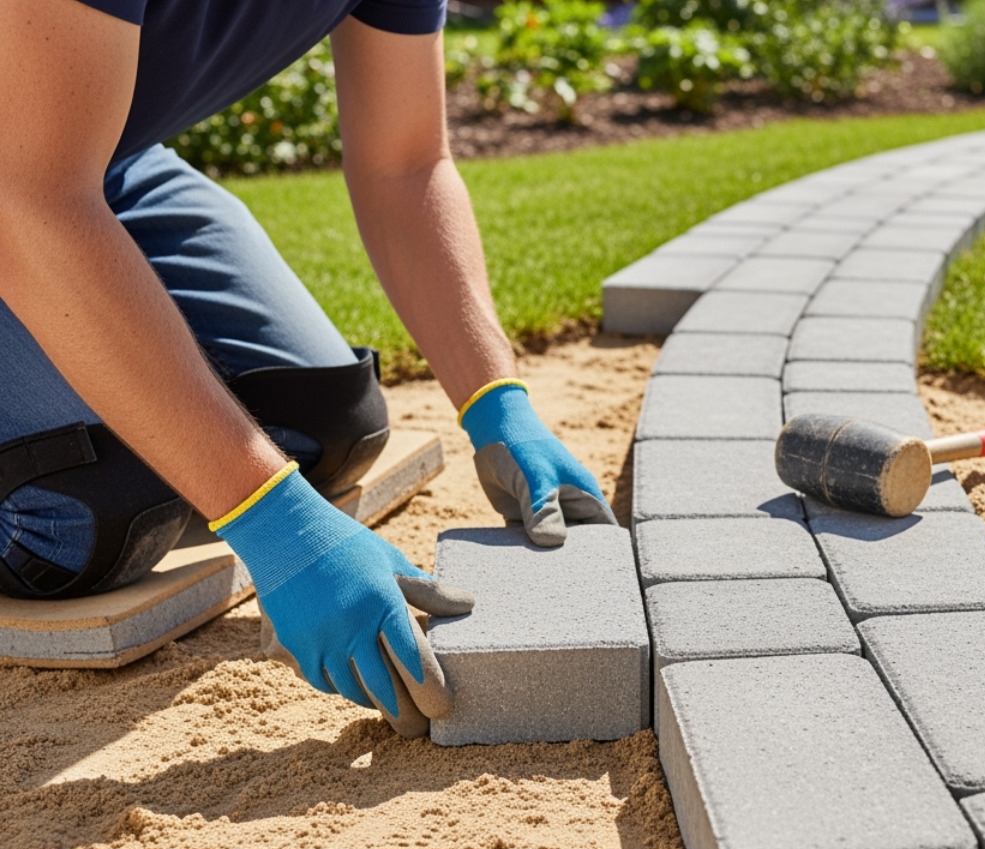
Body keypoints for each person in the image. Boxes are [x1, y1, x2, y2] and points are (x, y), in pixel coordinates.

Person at [0, 0, 616, 737]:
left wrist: (497, 403)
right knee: (75, 519)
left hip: (98, 164)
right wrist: (272, 522)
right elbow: (30, 197)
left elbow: (406, 161)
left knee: (323, 427)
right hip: (30, 177)